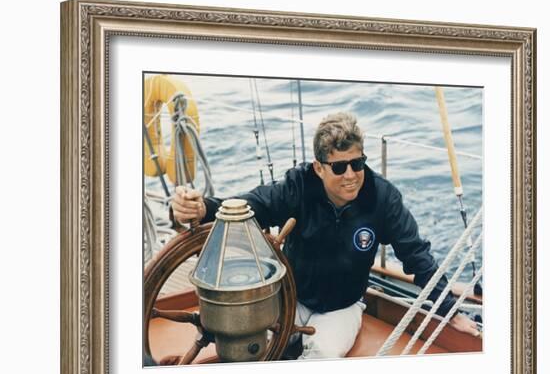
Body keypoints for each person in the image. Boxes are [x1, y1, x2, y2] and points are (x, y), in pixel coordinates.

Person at [171, 112, 480, 359]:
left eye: (357, 163)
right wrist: (201, 209)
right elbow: (251, 206)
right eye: (339, 166)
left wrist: (449, 312)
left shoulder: (382, 198)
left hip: (342, 307)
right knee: (248, 346)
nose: (351, 174)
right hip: (290, 298)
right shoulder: (298, 187)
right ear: (318, 168)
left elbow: (417, 254)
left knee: (322, 358)